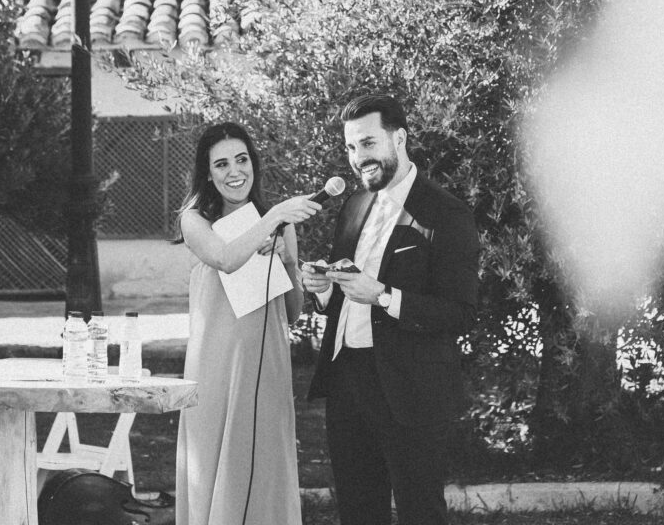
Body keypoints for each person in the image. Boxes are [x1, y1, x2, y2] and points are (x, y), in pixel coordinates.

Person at [299, 92, 480, 525]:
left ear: (399, 138)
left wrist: (383, 295)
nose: (358, 157)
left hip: (411, 389)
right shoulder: (354, 205)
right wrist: (322, 291)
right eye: (351, 147)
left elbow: (460, 312)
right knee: (358, 513)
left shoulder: (446, 213)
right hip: (347, 383)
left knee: (421, 512)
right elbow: (344, 295)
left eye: (368, 143)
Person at [175, 121, 321, 525]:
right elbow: (225, 258)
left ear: (253, 164)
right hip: (215, 368)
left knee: (264, 466)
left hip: (267, 366)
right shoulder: (195, 220)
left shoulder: (280, 225)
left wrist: (288, 261)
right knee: (215, 465)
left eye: (242, 160)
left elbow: (292, 311)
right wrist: (272, 218)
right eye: (221, 164)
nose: (234, 171)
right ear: (208, 173)